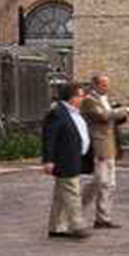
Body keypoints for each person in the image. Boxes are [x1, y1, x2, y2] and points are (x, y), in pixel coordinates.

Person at [80, 73, 129, 229]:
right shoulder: (89, 101)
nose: (107, 87)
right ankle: (76, 209)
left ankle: (103, 218)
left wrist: (121, 115)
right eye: (103, 84)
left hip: (110, 145)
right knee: (99, 182)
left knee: (110, 184)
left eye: (107, 84)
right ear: (95, 85)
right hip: (99, 146)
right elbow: (104, 116)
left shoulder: (105, 100)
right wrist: (124, 110)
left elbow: (112, 118)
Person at [41, 82, 95, 240]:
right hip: (65, 158)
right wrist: (48, 160)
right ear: (71, 97)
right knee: (72, 192)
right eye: (80, 95)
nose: (83, 98)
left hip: (77, 157)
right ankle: (76, 225)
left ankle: (56, 226)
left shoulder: (76, 112)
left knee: (61, 194)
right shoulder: (57, 112)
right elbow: (49, 138)